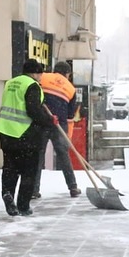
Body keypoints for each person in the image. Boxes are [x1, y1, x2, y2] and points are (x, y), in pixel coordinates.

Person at [0, 59, 57, 216]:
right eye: (40, 74)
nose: (41, 77)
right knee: (28, 171)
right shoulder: (32, 86)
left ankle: (7, 194)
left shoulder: (10, 83)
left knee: (10, 168)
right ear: (35, 73)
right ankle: (23, 205)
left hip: (6, 133)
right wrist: (49, 121)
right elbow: (33, 111)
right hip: (25, 135)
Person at [33, 61, 82, 199]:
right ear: (67, 74)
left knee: (38, 156)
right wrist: (67, 138)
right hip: (59, 125)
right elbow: (70, 116)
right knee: (63, 156)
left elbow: (34, 97)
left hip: (42, 121)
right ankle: (73, 187)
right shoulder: (71, 88)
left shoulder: (43, 77)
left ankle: (34, 190)